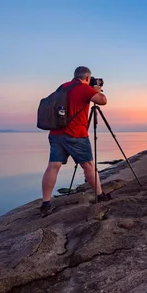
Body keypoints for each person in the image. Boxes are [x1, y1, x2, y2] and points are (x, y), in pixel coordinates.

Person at [40, 66, 108, 217]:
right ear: (87, 78)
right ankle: (101, 195)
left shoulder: (62, 87)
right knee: (89, 165)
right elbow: (103, 101)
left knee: (53, 167)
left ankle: (45, 203)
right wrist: (96, 89)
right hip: (76, 134)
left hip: (56, 133)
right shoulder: (84, 89)